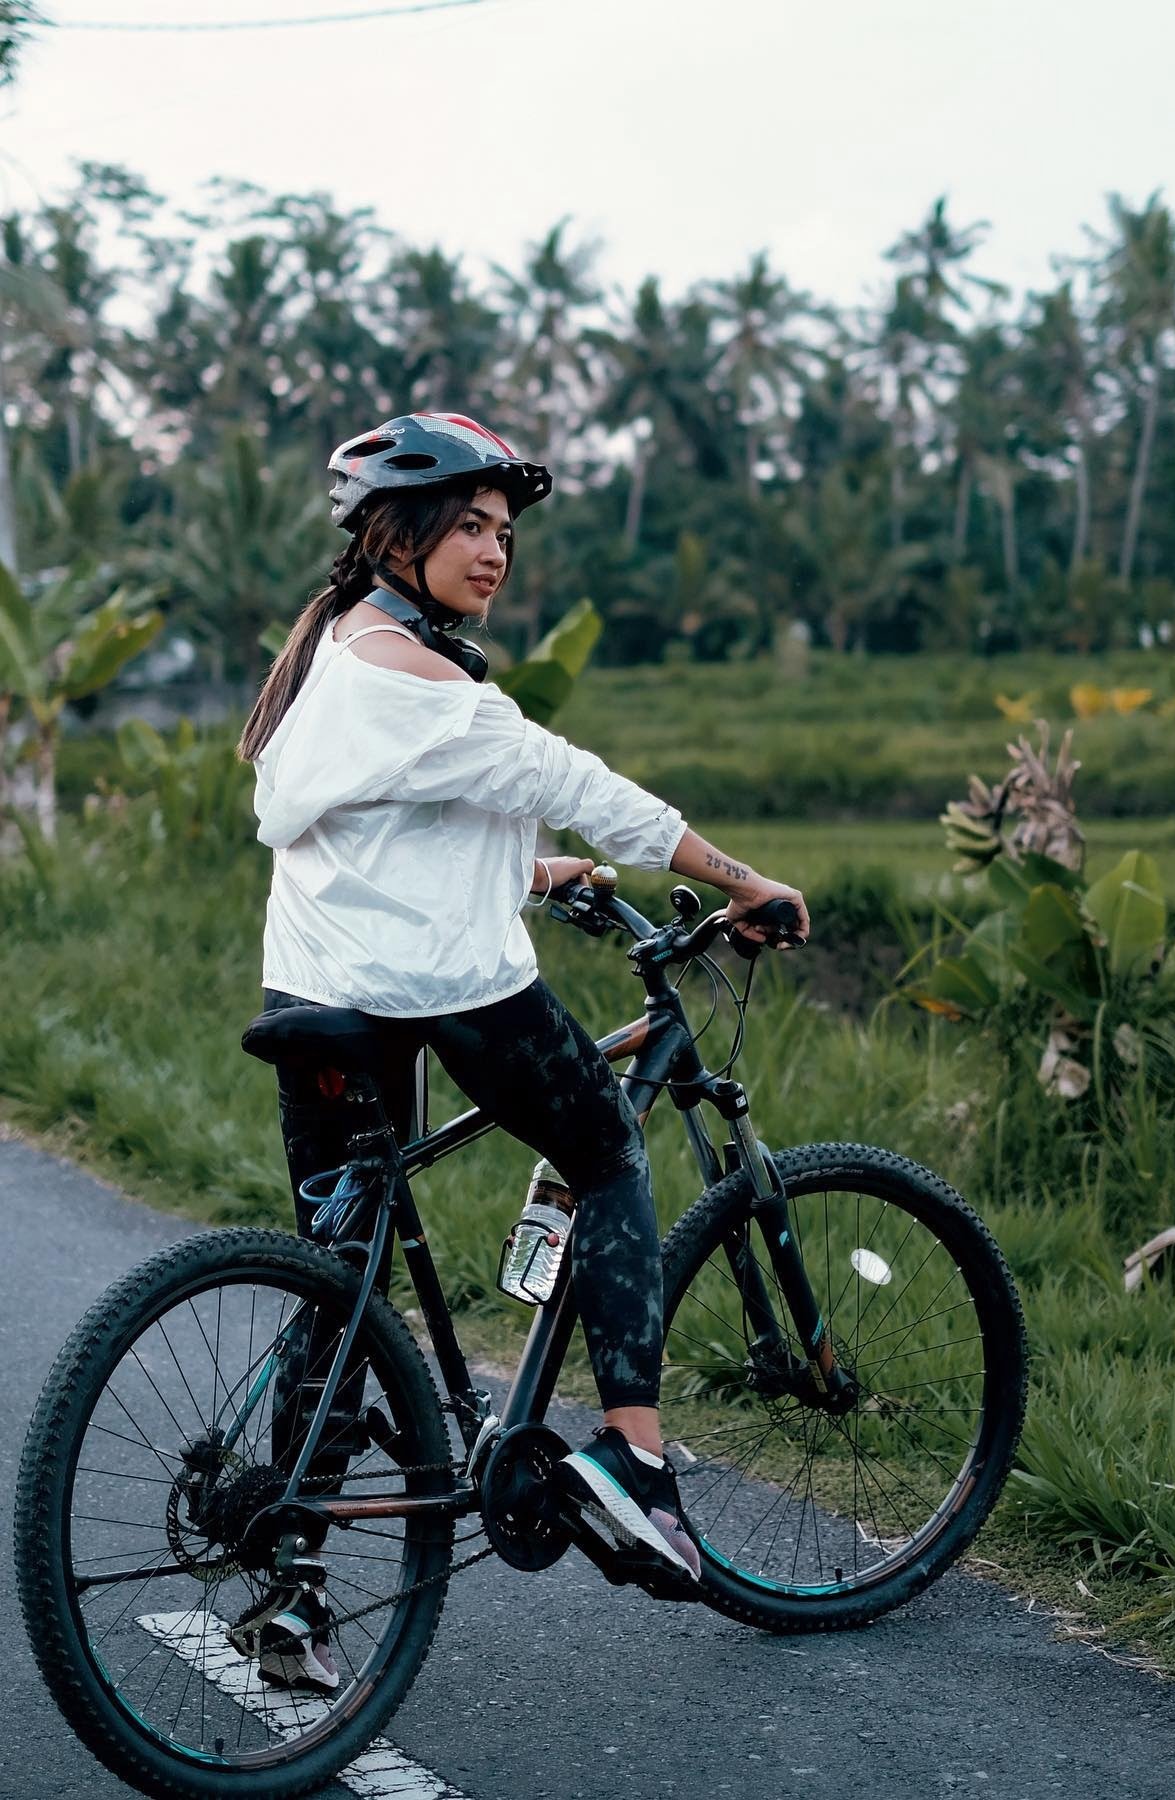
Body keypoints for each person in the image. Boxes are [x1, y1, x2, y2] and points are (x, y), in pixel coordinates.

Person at [235, 411, 809, 1688]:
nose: (495, 551)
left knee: (342, 1272)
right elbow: (579, 783)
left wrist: (532, 873)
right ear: (401, 534)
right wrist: (743, 878)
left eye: (504, 531)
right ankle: (634, 1459)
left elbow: (373, 827)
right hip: (437, 989)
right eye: (471, 526)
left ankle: (292, 1583)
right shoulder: (429, 679)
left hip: (318, 991)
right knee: (604, 1149)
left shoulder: (337, 648)